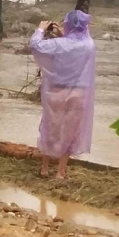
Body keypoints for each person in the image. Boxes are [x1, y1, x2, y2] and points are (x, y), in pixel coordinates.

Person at [29, 10, 95, 179]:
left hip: (56, 92)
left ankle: (44, 168)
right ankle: (61, 172)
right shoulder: (89, 45)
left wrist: (41, 29)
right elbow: (77, 41)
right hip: (79, 93)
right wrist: (65, 35)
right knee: (71, 132)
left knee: (50, 127)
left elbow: (36, 45)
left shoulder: (59, 44)